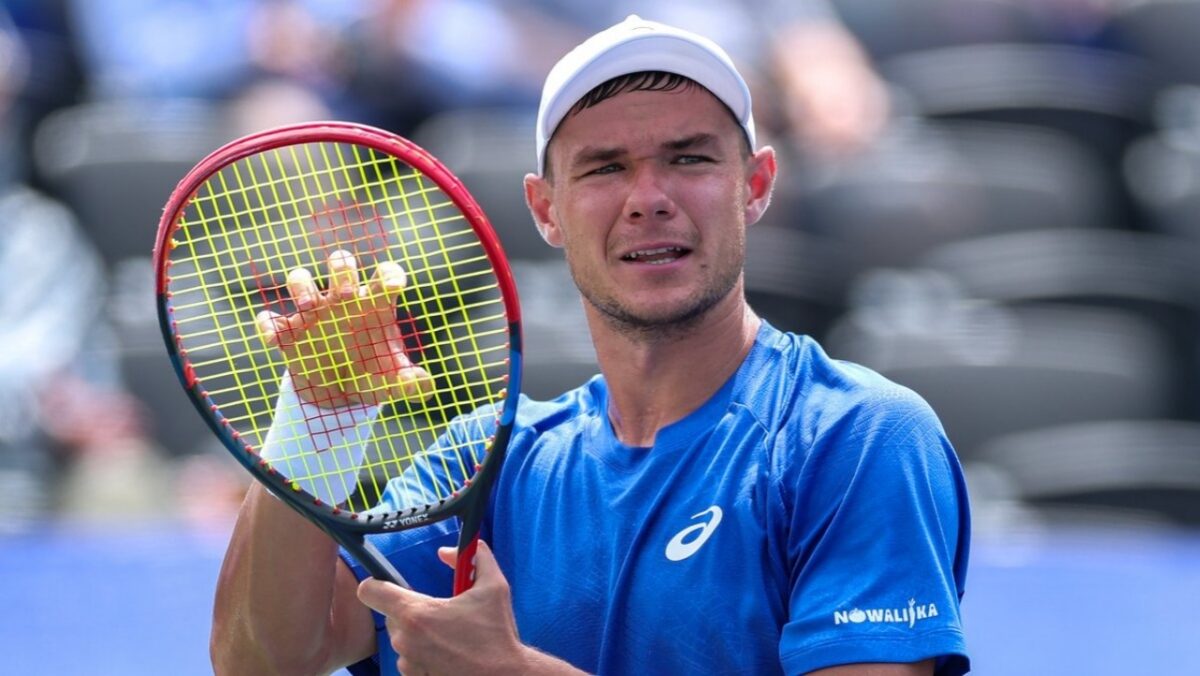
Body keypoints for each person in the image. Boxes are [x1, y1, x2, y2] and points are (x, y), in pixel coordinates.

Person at [212, 15, 970, 676]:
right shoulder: (487, 463)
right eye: (604, 168)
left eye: (690, 158)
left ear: (756, 184)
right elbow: (261, 661)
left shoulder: (859, 436)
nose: (648, 198)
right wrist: (319, 422)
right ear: (546, 209)